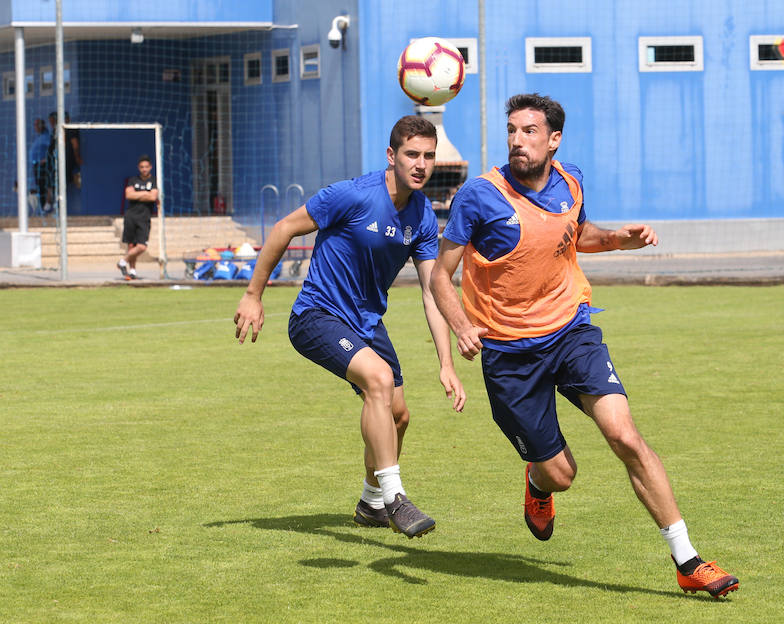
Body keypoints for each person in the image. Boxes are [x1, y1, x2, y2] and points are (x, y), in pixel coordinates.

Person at [429, 93, 739, 598]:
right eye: (511, 129)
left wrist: (619, 239)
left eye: (529, 131)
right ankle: (538, 484)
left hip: (572, 331)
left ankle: (688, 561)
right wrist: (462, 325)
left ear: (553, 140)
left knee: (626, 437)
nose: (516, 139)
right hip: (509, 355)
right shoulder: (479, 196)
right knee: (562, 474)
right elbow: (441, 277)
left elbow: (576, 234)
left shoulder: (569, 179)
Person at [233, 115, 465, 539]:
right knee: (378, 380)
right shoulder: (352, 195)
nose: (421, 164)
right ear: (392, 156)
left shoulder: (424, 218)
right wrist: (253, 294)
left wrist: (446, 362)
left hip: (366, 323)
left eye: (429, 156)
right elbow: (285, 228)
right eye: (412, 154)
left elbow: (433, 291)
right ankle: (396, 498)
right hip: (317, 316)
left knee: (399, 417)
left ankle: (371, 502)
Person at [117, 155, 158, 280]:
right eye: (142, 167)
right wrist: (145, 193)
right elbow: (129, 195)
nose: (144, 169)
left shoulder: (154, 181)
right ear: (138, 168)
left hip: (144, 216)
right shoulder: (133, 180)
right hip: (131, 215)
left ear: (150, 167)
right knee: (131, 245)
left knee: (142, 246)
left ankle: (122, 261)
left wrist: (138, 194)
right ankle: (132, 271)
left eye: (146, 167)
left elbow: (153, 197)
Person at [29, 118, 52, 214]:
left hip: (43, 166)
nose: (35, 127)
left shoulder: (47, 136)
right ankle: (43, 209)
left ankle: (47, 206)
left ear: (42, 125)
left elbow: (52, 148)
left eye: (37, 125)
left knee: (44, 186)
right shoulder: (40, 137)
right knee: (39, 187)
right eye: (34, 125)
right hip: (37, 165)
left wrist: (46, 159)